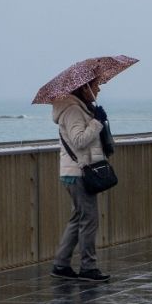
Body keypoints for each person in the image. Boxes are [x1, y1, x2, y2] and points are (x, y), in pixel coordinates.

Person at [50, 79, 111, 282]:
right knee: (89, 220)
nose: (99, 89)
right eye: (95, 86)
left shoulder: (80, 108)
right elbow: (79, 141)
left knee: (79, 218)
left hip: (75, 172)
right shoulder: (73, 111)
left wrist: (96, 118)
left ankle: (61, 264)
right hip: (79, 173)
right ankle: (88, 267)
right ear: (84, 88)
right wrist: (97, 122)